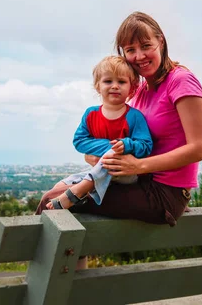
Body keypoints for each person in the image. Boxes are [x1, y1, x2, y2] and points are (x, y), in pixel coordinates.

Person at [36, 11, 202, 230]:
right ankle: (72, 262)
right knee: (55, 197)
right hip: (139, 182)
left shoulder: (181, 81)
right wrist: (105, 155)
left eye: (146, 46)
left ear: (161, 42)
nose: (139, 56)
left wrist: (137, 165)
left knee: (50, 203)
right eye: (130, 50)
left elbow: (199, 148)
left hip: (164, 193)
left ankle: (52, 262)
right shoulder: (141, 89)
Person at [44, 55, 153, 210]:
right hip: (97, 171)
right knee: (57, 187)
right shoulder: (91, 114)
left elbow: (146, 146)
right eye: (108, 81)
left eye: (121, 82)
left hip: (124, 173)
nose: (115, 86)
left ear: (132, 87)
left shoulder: (135, 117)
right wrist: (108, 146)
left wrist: (126, 145)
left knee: (113, 154)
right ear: (97, 86)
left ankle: (77, 193)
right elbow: (79, 141)